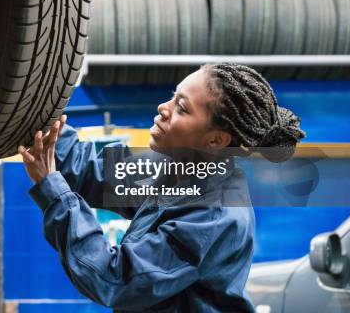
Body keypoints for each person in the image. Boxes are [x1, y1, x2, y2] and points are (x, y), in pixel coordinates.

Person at [17, 63, 306, 312]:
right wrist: (39, 110)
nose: (163, 108)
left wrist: (52, 188)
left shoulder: (214, 214)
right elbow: (91, 171)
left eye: (181, 107)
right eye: (173, 97)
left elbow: (114, 278)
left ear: (216, 141)